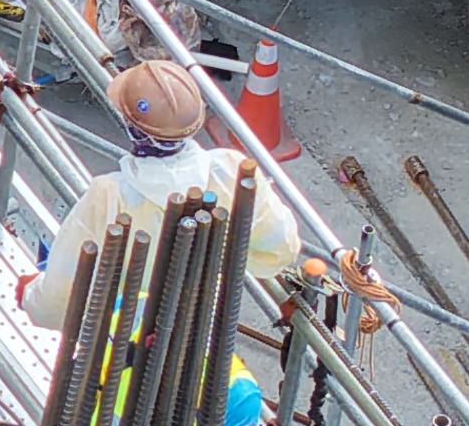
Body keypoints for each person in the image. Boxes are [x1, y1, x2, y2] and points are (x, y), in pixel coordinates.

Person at [22, 59, 304, 327]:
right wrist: (223, 257)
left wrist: (29, 296)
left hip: (120, 341)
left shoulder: (110, 196)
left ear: (132, 128)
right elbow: (281, 248)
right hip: (197, 331)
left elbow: (59, 299)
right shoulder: (232, 171)